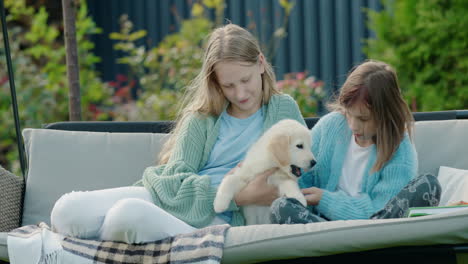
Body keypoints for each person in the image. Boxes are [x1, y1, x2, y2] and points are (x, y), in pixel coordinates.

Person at [51, 23, 305, 243]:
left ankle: (90, 251)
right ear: (216, 83)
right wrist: (233, 194)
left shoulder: (282, 109)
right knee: (66, 211)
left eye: (246, 80)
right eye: (228, 85)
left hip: (216, 220)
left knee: (127, 216)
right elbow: (173, 180)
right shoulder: (202, 118)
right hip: (171, 200)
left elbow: (301, 173)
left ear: (261, 64)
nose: (240, 94)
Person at [270, 60, 441, 224]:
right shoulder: (331, 125)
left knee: (428, 185)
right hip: (322, 226)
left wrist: (326, 200)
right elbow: (300, 178)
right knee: (281, 206)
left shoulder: (400, 149)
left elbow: (381, 210)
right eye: (349, 113)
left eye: (363, 119)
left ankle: (341, 248)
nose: (353, 125)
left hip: (373, 229)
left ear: (386, 115)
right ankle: (336, 246)